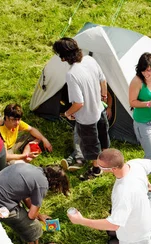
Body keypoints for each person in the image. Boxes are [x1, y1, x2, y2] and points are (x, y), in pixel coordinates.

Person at [53, 38, 110, 180]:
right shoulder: (90, 60)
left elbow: (79, 103)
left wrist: (67, 113)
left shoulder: (72, 74)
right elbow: (103, 80)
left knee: (91, 145)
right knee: (103, 136)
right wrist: (103, 94)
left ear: (63, 58)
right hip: (99, 109)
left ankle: (96, 169)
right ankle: (108, 161)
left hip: (87, 118)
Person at [0, 163, 69, 244]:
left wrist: (39, 215)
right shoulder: (42, 184)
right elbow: (31, 216)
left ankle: (21, 231)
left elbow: (26, 197)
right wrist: (36, 217)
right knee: (34, 226)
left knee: (24, 216)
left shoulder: (27, 166)